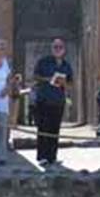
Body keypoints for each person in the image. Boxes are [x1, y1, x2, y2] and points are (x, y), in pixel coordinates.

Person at [33, 37, 74, 167]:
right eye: (55, 47)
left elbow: (71, 84)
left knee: (54, 130)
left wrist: (64, 83)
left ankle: (52, 156)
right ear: (52, 49)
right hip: (44, 100)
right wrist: (48, 79)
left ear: (64, 50)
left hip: (58, 101)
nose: (57, 49)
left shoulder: (66, 65)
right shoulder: (43, 62)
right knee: (43, 128)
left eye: (60, 47)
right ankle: (42, 156)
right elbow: (35, 77)